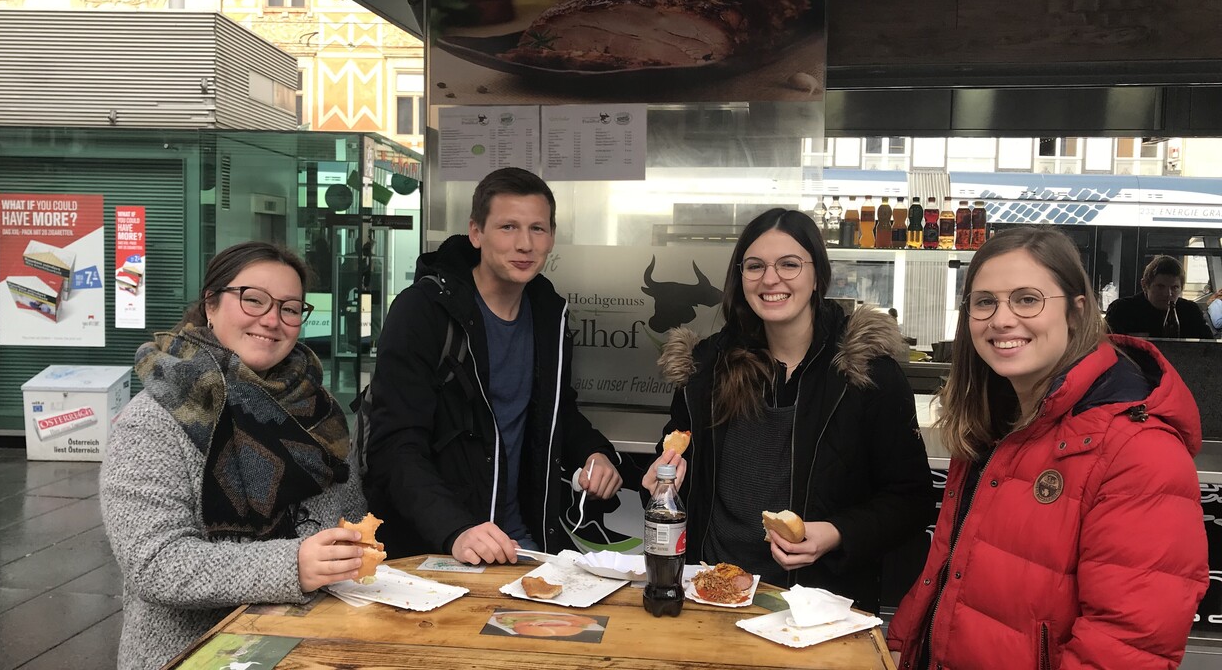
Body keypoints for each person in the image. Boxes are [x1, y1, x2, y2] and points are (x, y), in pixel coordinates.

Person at [887, 228, 1208, 669]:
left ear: (1076, 312)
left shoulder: (1139, 451)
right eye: (985, 302)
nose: (1001, 319)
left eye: (1026, 299)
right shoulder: (995, 425)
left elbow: (1128, 647)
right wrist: (903, 645)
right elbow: (950, 570)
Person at [644, 208, 934, 611]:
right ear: (739, 277)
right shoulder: (706, 368)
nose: (770, 279)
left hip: (819, 604)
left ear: (818, 276)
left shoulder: (867, 373)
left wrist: (836, 532)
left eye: (790, 264)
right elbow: (680, 465)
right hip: (709, 591)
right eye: (755, 266)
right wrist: (666, 479)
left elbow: (911, 500)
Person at [101, 242, 367, 670]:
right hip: (197, 654)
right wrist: (293, 565)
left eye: (290, 308)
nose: (272, 320)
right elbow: (155, 563)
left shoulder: (319, 410)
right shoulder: (155, 419)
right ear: (210, 304)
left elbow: (350, 519)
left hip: (315, 648)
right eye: (253, 300)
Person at [364, 167, 634, 565]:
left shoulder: (548, 313)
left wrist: (595, 452)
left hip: (522, 543)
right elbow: (395, 446)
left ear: (552, 237)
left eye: (537, 229)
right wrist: (454, 529)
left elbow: (556, 409)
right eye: (508, 227)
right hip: (438, 549)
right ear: (476, 233)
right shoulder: (423, 311)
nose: (524, 243)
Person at [1104, 255, 1213, 338]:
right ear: (1144, 285)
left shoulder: (1191, 312)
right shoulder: (1121, 310)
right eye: (1160, 287)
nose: (1168, 294)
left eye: (1174, 288)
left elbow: (1209, 348)